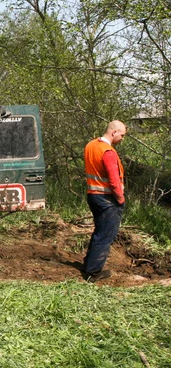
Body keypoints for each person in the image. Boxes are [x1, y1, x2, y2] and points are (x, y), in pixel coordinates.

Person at [83, 120, 126, 283]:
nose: (122, 138)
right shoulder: (108, 152)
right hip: (107, 199)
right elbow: (114, 180)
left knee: (99, 232)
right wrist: (120, 199)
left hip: (93, 195)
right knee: (105, 235)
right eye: (122, 135)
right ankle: (93, 272)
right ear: (114, 132)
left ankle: (89, 264)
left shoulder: (91, 145)